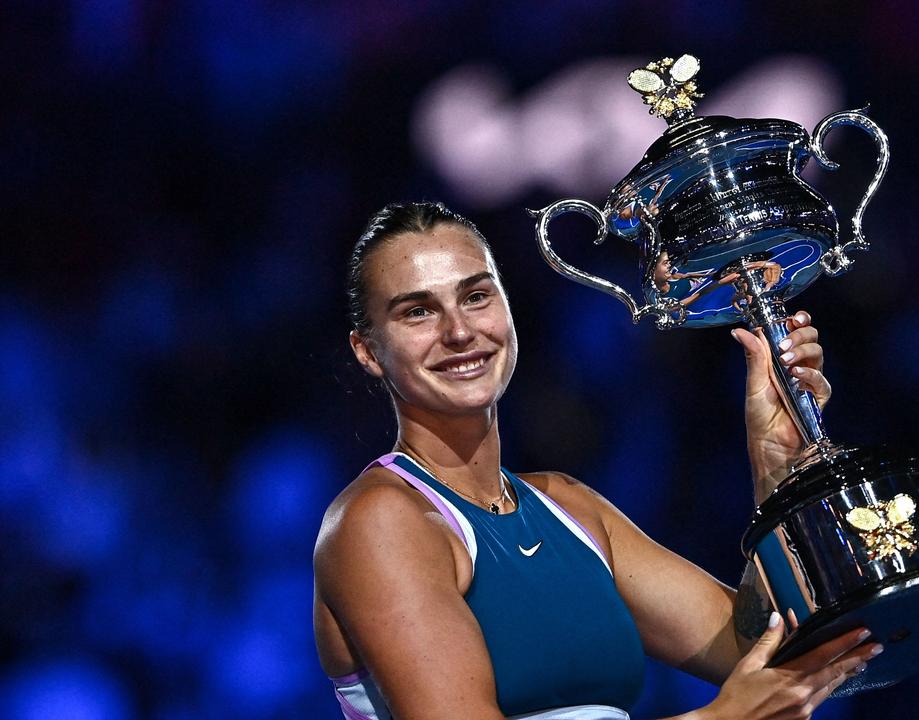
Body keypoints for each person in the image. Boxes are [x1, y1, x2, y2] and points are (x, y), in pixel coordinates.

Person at [313, 202, 882, 720]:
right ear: (368, 351)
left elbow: (760, 648)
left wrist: (776, 469)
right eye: (418, 312)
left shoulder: (569, 507)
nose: (460, 331)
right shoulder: (379, 522)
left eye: (477, 295)